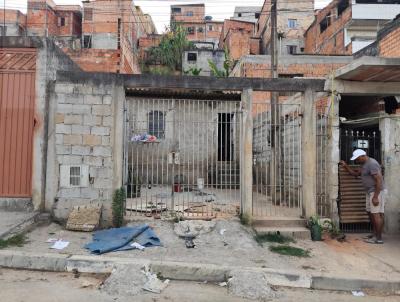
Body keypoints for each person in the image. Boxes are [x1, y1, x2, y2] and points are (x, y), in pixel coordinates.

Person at [340, 149, 385, 244]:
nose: (356, 161)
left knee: (376, 214)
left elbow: (379, 180)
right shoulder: (364, 165)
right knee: (370, 213)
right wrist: (346, 166)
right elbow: (355, 174)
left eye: (357, 159)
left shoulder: (372, 163)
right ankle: (374, 234)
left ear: (362, 156)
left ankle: (379, 238)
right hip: (369, 192)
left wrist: (376, 196)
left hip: (376, 192)